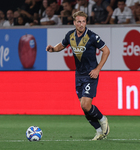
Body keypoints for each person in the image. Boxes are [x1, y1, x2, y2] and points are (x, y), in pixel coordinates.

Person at [46, 11, 110, 140]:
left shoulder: (92, 36)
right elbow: (62, 45)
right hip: (78, 75)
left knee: (86, 105)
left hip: (90, 74)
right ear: (74, 22)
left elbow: (106, 51)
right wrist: (53, 49)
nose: (81, 24)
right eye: (79, 21)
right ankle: (98, 131)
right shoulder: (70, 35)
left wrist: (97, 69)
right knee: (84, 107)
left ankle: (103, 119)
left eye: (84, 21)